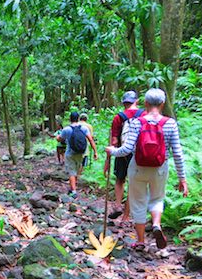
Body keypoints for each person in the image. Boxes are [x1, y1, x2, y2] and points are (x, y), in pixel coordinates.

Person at [106, 88, 188, 251]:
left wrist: (112, 151)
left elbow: (127, 149)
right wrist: (182, 178)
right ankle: (156, 224)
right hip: (159, 168)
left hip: (137, 168)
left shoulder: (138, 122)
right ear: (163, 103)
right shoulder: (170, 123)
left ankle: (141, 240)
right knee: (157, 198)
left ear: (146, 103)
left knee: (138, 203)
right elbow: (177, 153)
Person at [105, 91, 143, 221]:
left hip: (121, 153)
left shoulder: (119, 117)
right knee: (133, 184)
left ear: (123, 103)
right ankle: (126, 217)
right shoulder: (144, 114)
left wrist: (108, 159)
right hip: (139, 155)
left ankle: (117, 205)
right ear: (136, 101)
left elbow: (114, 142)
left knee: (120, 180)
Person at [57, 111, 98, 197]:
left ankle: (74, 191)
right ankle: (73, 186)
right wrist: (95, 152)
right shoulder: (84, 128)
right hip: (81, 153)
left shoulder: (66, 129)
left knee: (71, 172)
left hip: (70, 153)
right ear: (78, 118)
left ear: (70, 119)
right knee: (76, 170)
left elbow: (60, 139)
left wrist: (57, 137)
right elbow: (91, 140)